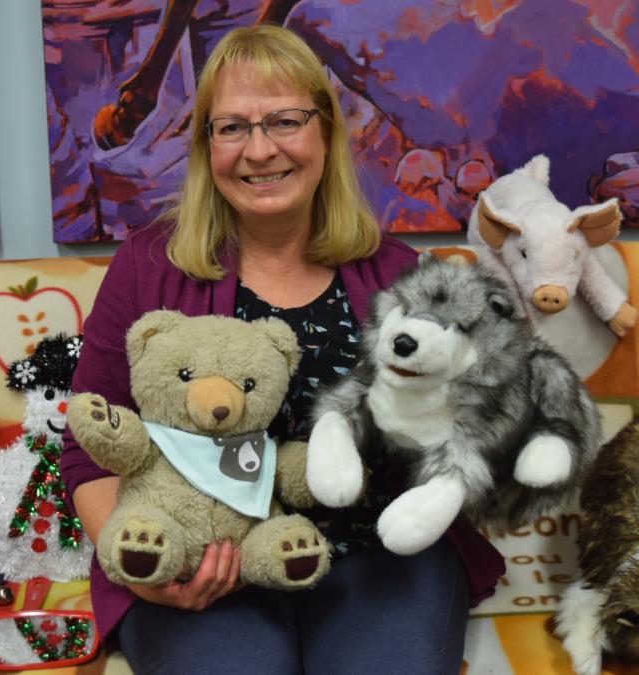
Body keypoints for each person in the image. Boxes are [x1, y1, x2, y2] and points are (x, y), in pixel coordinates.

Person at [60, 25, 506, 674]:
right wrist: (142, 566)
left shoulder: (403, 275)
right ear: (205, 145)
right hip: (204, 553)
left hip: (376, 555)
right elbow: (88, 447)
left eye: (284, 121)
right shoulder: (146, 266)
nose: (259, 150)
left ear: (325, 132)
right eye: (232, 127)